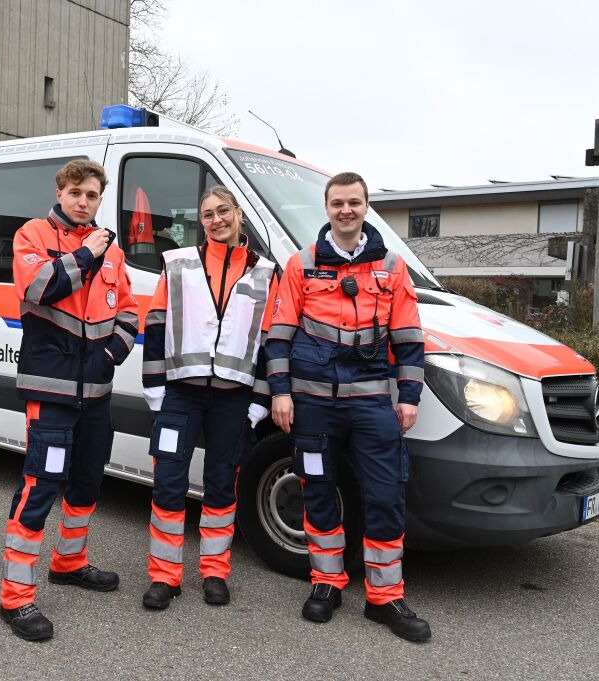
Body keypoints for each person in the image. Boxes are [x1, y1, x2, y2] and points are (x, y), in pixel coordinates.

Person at [266, 172, 430, 642]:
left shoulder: (392, 267)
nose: (346, 211)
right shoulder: (302, 265)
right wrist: (280, 392)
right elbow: (279, 336)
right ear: (326, 208)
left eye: (354, 203)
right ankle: (326, 583)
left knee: (384, 494)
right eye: (338, 203)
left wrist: (410, 398)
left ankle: (385, 597)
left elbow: (409, 338)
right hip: (313, 405)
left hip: (373, 404)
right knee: (317, 490)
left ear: (365, 207)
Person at [0, 159, 139, 642]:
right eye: (76, 192)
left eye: (92, 195)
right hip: (51, 389)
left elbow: (129, 310)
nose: (84, 201)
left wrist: (111, 354)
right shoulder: (33, 234)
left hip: (97, 390)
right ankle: (15, 597)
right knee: (41, 485)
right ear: (60, 192)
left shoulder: (111, 251)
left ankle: (69, 561)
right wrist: (86, 253)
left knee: (86, 481)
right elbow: (38, 288)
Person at [139, 187, 278, 610]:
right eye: (207, 215)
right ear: (200, 222)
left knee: (222, 486)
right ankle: (165, 577)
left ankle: (215, 572)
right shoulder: (177, 263)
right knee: (168, 483)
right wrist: (155, 390)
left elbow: (270, 343)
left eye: (223, 212)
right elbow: (157, 326)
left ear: (238, 214)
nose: (216, 220)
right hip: (180, 395)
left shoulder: (266, 273)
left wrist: (260, 401)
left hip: (233, 400)